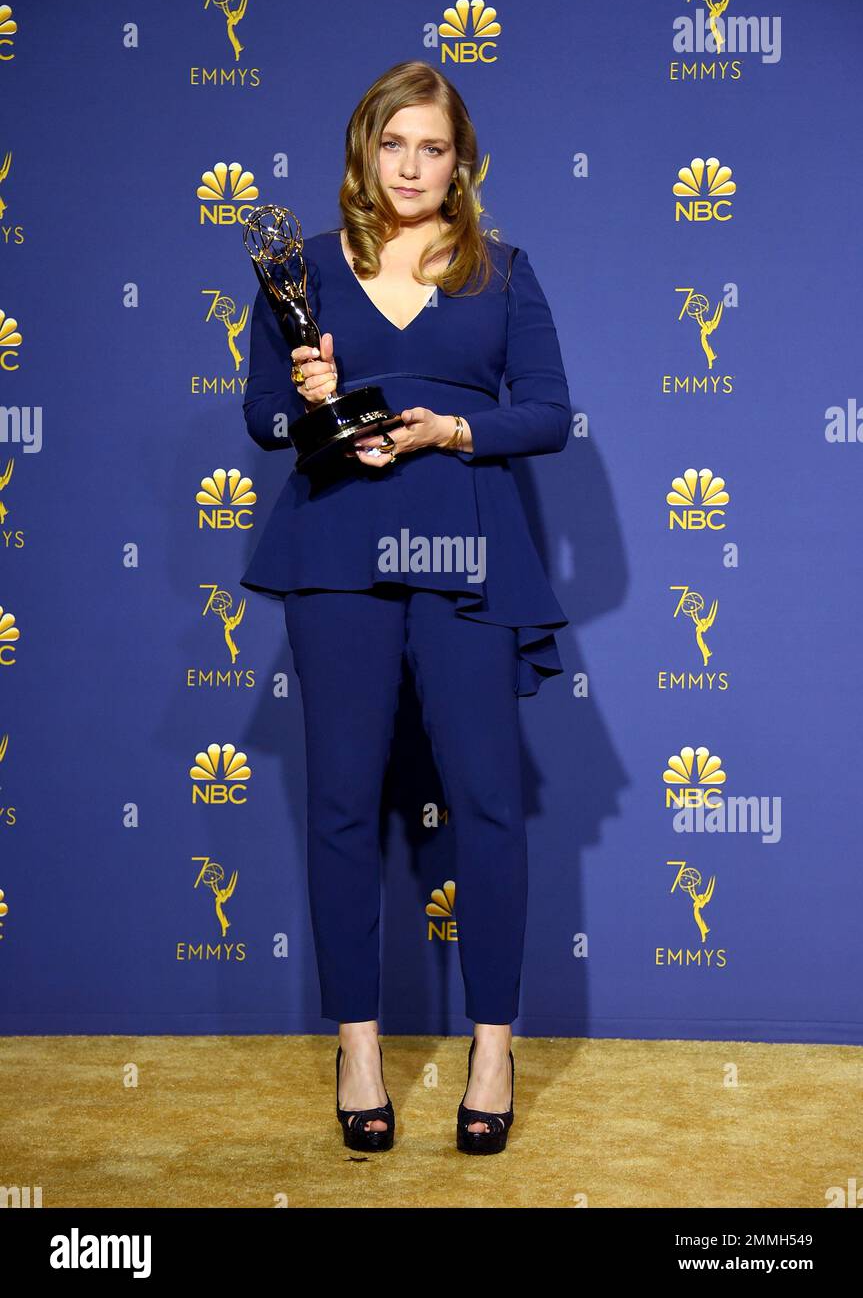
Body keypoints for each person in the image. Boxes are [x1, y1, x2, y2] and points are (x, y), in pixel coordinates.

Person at [240, 59, 571, 1154]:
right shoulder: (299, 271)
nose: (413, 166)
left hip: (467, 552)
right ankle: (360, 1045)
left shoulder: (503, 272)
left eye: (433, 147)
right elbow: (260, 415)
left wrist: (449, 428)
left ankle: (489, 1046)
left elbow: (550, 416)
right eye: (394, 145)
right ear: (362, 153)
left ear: (460, 161)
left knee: (485, 801)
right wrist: (305, 398)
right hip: (336, 551)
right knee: (339, 803)